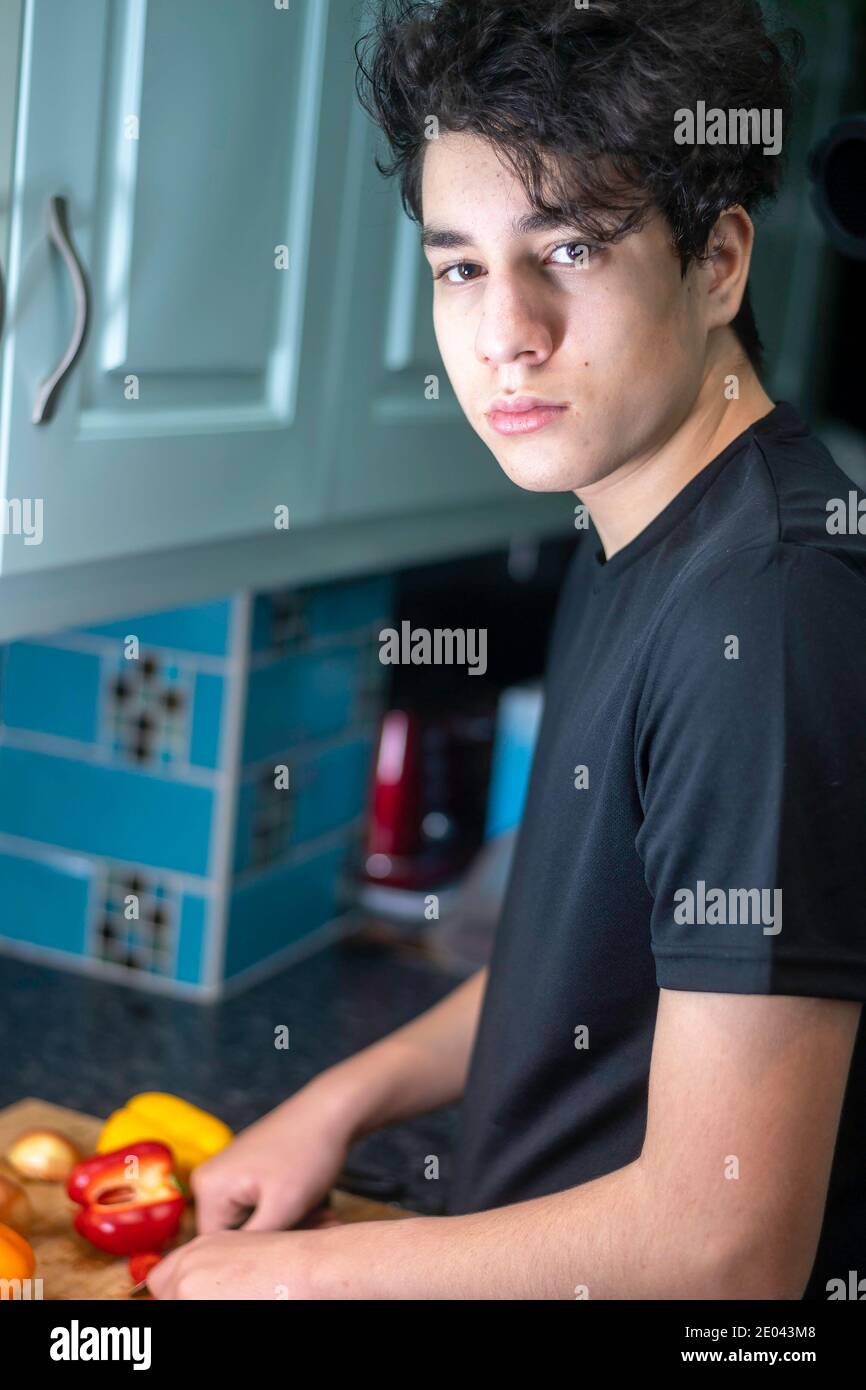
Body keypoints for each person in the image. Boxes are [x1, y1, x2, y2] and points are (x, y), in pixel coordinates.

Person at [149, 0, 866, 1300]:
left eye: (572, 248)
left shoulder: (766, 613)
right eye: (459, 265)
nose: (503, 334)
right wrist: (341, 1098)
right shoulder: (635, 518)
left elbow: (726, 1248)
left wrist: (308, 1282)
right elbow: (591, 964)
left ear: (717, 262)